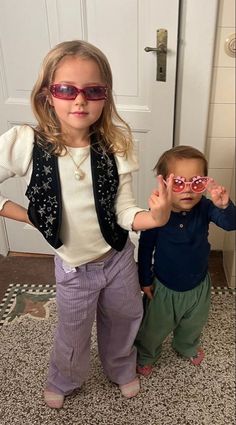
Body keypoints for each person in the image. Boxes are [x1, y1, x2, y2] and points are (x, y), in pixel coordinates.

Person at [0, 40, 174, 408]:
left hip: (117, 260)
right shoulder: (26, 143)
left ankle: (120, 365)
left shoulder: (118, 144)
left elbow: (125, 210)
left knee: (125, 317)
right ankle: (65, 378)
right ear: (49, 94)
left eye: (93, 91)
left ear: (105, 97)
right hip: (73, 267)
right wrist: (25, 214)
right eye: (67, 89)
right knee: (72, 331)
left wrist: (154, 218)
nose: (80, 101)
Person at [135, 145, 236, 377]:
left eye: (196, 182)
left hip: (199, 284)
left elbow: (231, 224)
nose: (188, 190)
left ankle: (185, 345)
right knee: (153, 327)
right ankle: (147, 354)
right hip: (164, 287)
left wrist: (224, 206)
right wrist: (145, 279)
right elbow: (145, 247)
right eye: (179, 183)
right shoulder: (158, 213)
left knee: (193, 323)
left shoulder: (206, 207)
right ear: (164, 184)